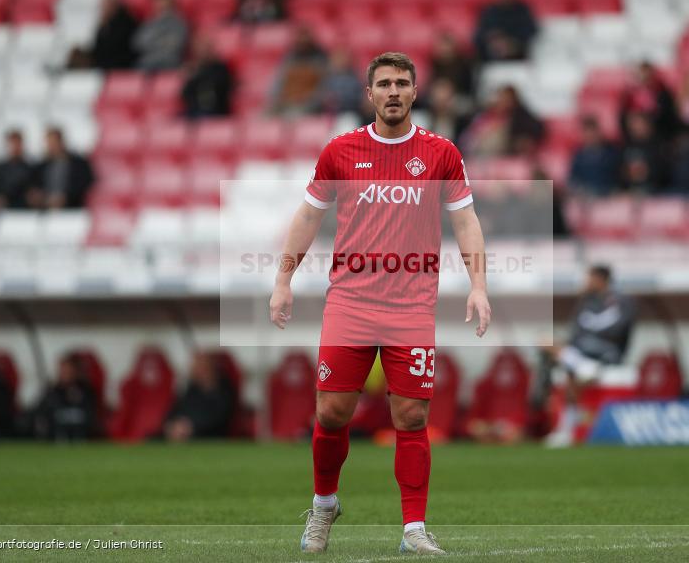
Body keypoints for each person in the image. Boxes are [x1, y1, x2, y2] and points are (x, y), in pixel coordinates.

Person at [269, 52, 490, 554]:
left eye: (403, 83)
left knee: (411, 416)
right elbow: (307, 217)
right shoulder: (340, 152)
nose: (394, 91)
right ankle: (324, 505)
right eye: (385, 83)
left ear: (415, 92)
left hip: (411, 305)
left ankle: (414, 529)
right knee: (331, 413)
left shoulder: (441, 153)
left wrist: (478, 285)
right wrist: (283, 281)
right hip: (350, 301)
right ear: (369, 94)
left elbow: (466, 221)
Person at [541, 265, 636, 447]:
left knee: (560, 356)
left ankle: (566, 429)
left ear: (601, 279)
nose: (586, 283)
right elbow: (577, 331)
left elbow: (617, 329)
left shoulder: (621, 301)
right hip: (583, 352)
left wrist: (586, 336)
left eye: (590, 278)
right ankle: (566, 430)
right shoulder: (587, 302)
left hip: (608, 352)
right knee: (562, 364)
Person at [163, 352, 234, 441]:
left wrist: (190, 427)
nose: (192, 368)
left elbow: (217, 418)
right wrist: (173, 425)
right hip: (181, 435)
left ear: (209, 367)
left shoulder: (223, 390)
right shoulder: (192, 390)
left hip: (207, 437)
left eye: (198, 365)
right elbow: (175, 411)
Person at [460, 85, 544, 158]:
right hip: (475, 156)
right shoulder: (484, 116)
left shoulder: (519, 116)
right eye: (500, 97)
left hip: (503, 156)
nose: (502, 101)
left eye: (506, 98)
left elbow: (536, 128)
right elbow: (467, 137)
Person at [32, 353, 99, 441]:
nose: (66, 373)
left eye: (69, 370)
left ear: (75, 371)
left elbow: (90, 413)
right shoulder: (52, 391)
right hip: (55, 431)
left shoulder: (85, 390)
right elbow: (41, 410)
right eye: (63, 370)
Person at [29, 127, 95, 209]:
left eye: (54, 142)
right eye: (49, 143)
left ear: (61, 141)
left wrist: (66, 197)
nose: (51, 146)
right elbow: (34, 186)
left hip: (72, 209)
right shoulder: (42, 166)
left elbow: (85, 182)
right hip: (46, 209)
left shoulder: (78, 164)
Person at [269, 26, 328, 117]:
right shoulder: (289, 59)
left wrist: (310, 102)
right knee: (266, 116)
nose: (302, 43)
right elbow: (279, 83)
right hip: (286, 102)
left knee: (293, 115)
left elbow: (323, 88)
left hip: (307, 105)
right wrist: (278, 100)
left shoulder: (320, 60)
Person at [474, 0, 538, 61]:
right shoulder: (488, 11)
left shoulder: (522, 10)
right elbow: (478, 36)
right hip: (492, 55)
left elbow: (531, 31)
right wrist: (493, 39)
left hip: (517, 53)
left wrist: (512, 42)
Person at [619, 61, 680, 143]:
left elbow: (668, 115)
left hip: (659, 134)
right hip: (633, 135)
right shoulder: (629, 94)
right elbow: (623, 115)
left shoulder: (662, 92)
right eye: (641, 74)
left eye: (647, 74)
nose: (644, 77)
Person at [181, 34, 234, 118]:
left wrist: (197, 74)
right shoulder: (194, 69)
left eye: (205, 48)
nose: (202, 51)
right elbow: (185, 95)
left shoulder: (220, 68)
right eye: (200, 48)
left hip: (215, 112)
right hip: (194, 112)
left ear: (211, 49)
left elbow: (220, 88)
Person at [132, 0, 188, 72]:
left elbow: (175, 45)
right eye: (159, 7)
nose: (162, 10)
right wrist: (160, 42)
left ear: (172, 6)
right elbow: (137, 43)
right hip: (147, 61)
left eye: (165, 7)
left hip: (169, 61)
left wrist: (152, 43)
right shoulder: (150, 22)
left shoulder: (179, 23)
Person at [567, 115, 621, 197]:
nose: (590, 136)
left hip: (610, 197)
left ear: (598, 132)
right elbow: (573, 180)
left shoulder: (612, 153)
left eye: (592, 132)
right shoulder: (578, 156)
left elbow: (620, 177)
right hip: (588, 198)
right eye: (587, 132)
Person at [0, 130, 34, 210]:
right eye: (12, 144)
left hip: (23, 214)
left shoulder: (30, 169)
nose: (15, 147)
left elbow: (31, 197)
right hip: (1, 213)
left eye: (17, 144)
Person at [620, 111, 669, 194]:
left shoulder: (658, 145)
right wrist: (627, 173)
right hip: (630, 190)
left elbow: (665, 172)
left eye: (638, 124)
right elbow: (619, 171)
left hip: (655, 191)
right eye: (633, 125)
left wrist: (647, 172)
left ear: (647, 125)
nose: (635, 127)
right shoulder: (626, 145)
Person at [89, 0, 138, 70]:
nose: (102, 9)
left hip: (120, 66)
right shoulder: (105, 23)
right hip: (104, 65)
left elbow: (115, 47)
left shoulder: (126, 22)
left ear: (114, 5)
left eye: (105, 5)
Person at [314, 48, 363, 115]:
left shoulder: (354, 79)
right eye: (336, 59)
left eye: (341, 59)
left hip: (347, 113)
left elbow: (356, 99)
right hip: (326, 114)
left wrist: (336, 100)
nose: (338, 62)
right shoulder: (327, 78)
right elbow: (319, 96)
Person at [426, 78, 472, 144]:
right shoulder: (424, 121)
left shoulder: (462, 122)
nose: (442, 105)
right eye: (439, 100)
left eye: (445, 100)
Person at [430, 32, 474, 98]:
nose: (444, 49)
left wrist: (450, 90)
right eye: (442, 46)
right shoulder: (435, 64)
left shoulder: (464, 64)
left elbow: (467, 88)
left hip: (459, 97)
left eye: (446, 46)